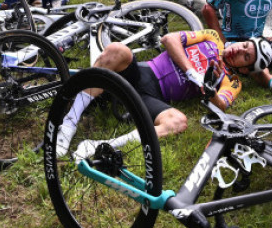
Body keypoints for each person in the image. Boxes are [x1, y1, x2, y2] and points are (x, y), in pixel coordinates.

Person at [54, 28, 250, 153]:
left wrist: (210, 89)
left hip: (153, 98)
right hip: (142, 73)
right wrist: (191, 71)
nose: (240, 50)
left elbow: (222, 104)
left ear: (245, 69)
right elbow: (169, 39)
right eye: (245, 45)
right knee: (117, 49)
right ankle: (68, 124)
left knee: (178, 122)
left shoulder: (232, 81)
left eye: (246, 57)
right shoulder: (213, 37)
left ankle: (99, 146)